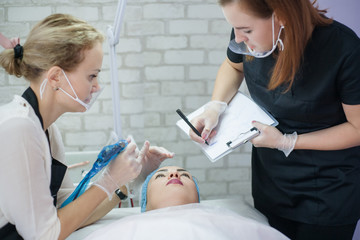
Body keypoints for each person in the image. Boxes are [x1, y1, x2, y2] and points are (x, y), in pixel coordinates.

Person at [188, 1, 360, 240]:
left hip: (329, 191)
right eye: (235, 29)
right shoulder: (243, 36)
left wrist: (288, 141)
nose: (238, 39)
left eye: (246, 31)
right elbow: (233, 66)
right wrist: (215, 107)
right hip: (271, 184)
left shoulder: (344, 49)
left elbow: (357, 128)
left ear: (281, 17)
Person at [0, 14, 174, 240]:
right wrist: (109, 180)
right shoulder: (19, 128)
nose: (97, 86)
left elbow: (69, 208)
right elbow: (44, 234)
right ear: (55, 77)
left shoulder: (46, 129)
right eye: (92, 76)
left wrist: (130, 178)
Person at [81, 165, 290, 240]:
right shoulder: (121, 230)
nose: (173, 173)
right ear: (144, 204)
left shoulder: (234, 223)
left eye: (185, 175)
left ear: (198, 197)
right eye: (161, 176)